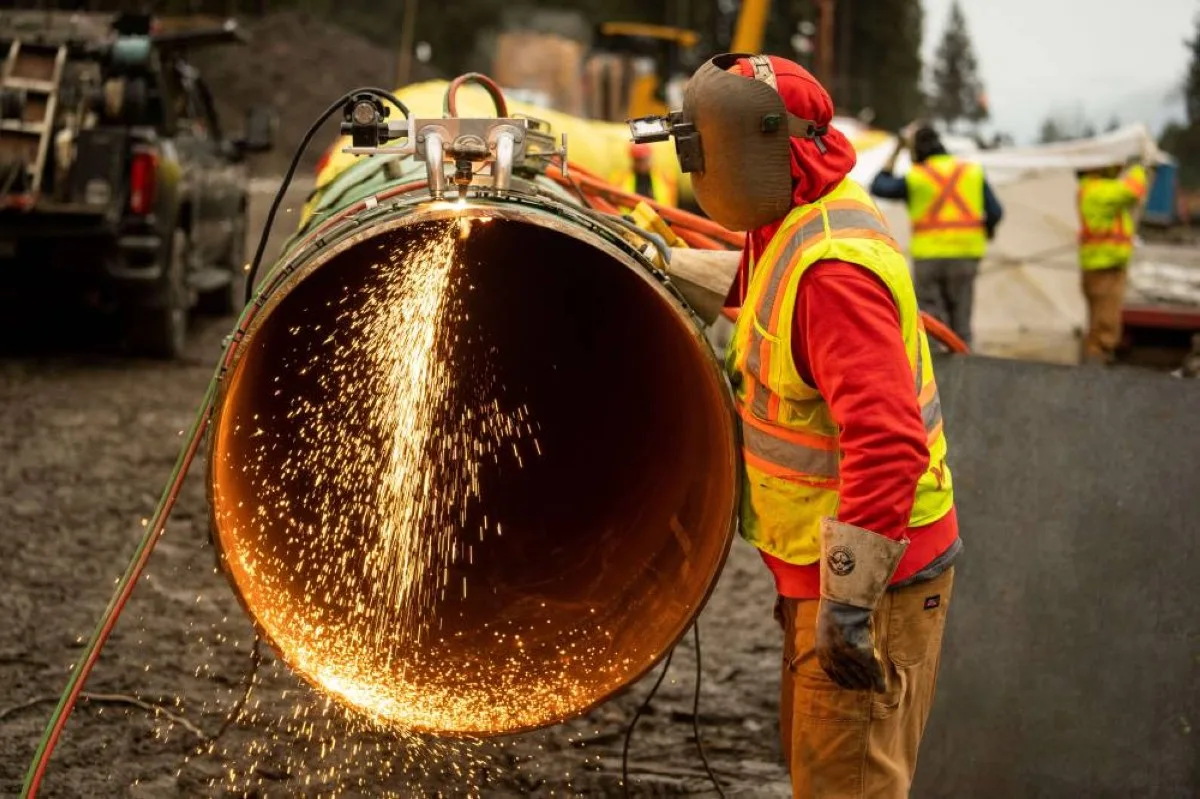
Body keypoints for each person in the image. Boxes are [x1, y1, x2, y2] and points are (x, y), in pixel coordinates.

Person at [675, 54, 961, 797]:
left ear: (758, 147)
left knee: (849, 784)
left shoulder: (833, 274)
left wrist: (847, 603)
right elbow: (760, 287)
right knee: (821, 773)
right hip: (824, 571)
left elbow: (889, 443)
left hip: (873, 585)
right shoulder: (798, 214)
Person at [869, 126, 1004, 347]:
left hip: (929, 258)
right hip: (965, 256)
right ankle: (965, 371)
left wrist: (896, 151)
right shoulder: (972, 171)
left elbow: (879, 185)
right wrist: (987, 231)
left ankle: (936, 377)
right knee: (961, 324)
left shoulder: (916, 177)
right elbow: (996, 212)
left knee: (931, 326)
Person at [1075, 160, 1148, 364]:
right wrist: (1139, 167)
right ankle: (1097, 374)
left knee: (1098, 325)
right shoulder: (1097, 191)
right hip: (1104, 268)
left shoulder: (1090, 190)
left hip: (1101, 266)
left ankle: (1094, 370)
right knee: (1104, 329)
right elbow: (1133, 190)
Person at [610, 142, 677, 209]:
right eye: (638, 160)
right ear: (632, 159)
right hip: (628, 218)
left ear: (650, 157)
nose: (641, 164)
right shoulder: (620, 179)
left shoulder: (665, 177)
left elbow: (671, 205)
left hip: (659, 218)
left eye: (644, 159)